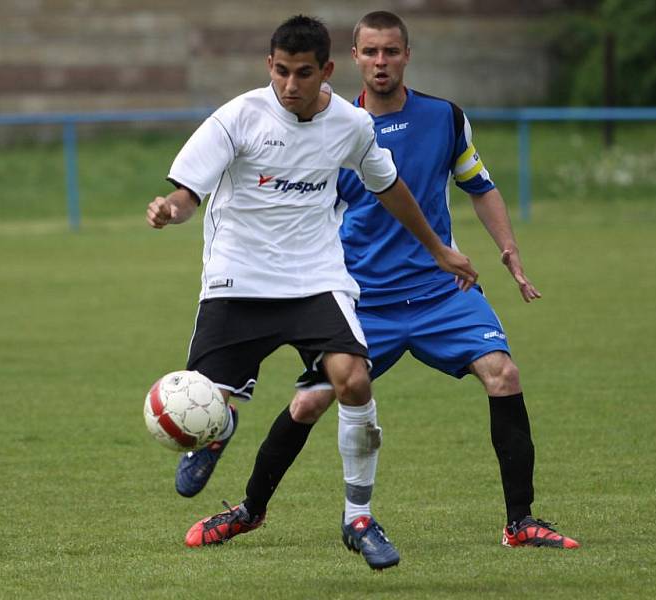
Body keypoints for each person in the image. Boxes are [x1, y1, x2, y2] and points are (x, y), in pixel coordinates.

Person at [145, 15, 477, 569]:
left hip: (313, 278)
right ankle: (220, 426)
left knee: (353, 379)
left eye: (303, 73)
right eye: (280, 72)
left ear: (325, 70)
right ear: (268, 66)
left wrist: (440, 250)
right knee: (208, 396)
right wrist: (170, 210)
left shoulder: (350, 125)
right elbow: (188, 191)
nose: (289, 85)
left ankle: (359, 519)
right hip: (238, 279)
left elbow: (389, 187)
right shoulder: (237, 118)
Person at [291, 11, 580, 550]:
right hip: (365, 300)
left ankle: (521, 523)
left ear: (407, 54)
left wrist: (508, 249)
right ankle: (250, 508)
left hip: (442, 292)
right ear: (353, 58)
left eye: (391, 52)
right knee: (308, 402)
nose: (381, 62)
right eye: (371, 52)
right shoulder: (331, 128)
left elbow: (479, 185)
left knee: (504, 374)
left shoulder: (445, 118)